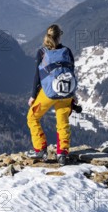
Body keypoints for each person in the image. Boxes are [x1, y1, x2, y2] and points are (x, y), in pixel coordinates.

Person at [27, 24, 77, 166]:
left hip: (48, 93)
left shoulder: (42, 52)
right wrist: (73, 94)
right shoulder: (67, 51)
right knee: (62, 122)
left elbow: (37, 76)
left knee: (32, 117)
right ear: (60, 36)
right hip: (66, 91)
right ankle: (62, 154)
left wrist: (33, 95)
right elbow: (71, 72)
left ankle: (41, 149)